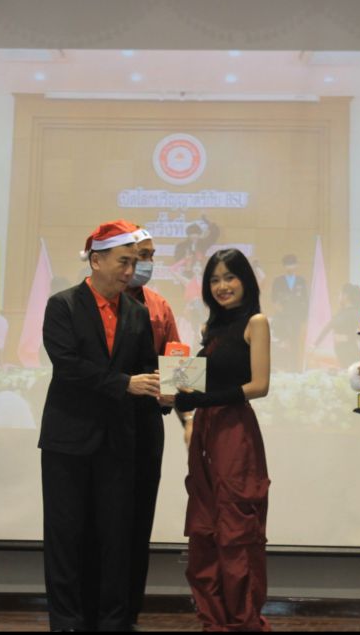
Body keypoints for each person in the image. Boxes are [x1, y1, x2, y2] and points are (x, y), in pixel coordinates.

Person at [39, 220, 161, 631]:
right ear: (96, 260)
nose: (131, 271)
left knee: (116, 538)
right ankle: (67, 621)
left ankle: (113, 621)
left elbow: (147, 368)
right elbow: (68, 366)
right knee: (65, 536)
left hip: (118, 442)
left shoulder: (137, 313)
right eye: (124, 262)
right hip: (67, 439)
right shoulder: (63, 305)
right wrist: (125, 383)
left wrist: (168, 388)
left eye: (135, 263)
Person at [170, 248, 272, 631]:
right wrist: (176, 396)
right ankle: (213, 621)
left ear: (245, 280)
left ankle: (243, 622)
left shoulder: (255, 322)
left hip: (235, 431)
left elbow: (259, 385)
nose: (222, 286)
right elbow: (189, 386)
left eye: (230, 277)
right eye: (214, 279)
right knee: (205, 527)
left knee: (236, 527)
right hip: (205, 432)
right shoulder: (209, 329)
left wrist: (202, 400)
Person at [123, 226, 185, 623]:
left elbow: (180, 369)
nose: (145, 264)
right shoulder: (90, 304)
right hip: (102, 422)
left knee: (138, 520)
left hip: (146, 423)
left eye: (149, 256)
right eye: (138, 256)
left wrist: (187, 412)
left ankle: (129, 613)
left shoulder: (159, 305)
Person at [271, 254, 309, 371]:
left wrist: (304, 318)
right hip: (282, 317)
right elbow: (274, 299)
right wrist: (279, 310)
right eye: (288, 265)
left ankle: (295, 368)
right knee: (283, 341)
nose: (290, 267)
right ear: (284, 266)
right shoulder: (278, 281)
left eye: (292, 264)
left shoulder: (301, 281)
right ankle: (284, 367)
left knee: (295, 342)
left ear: (296, 265)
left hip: (296, 317)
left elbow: (305, 300)